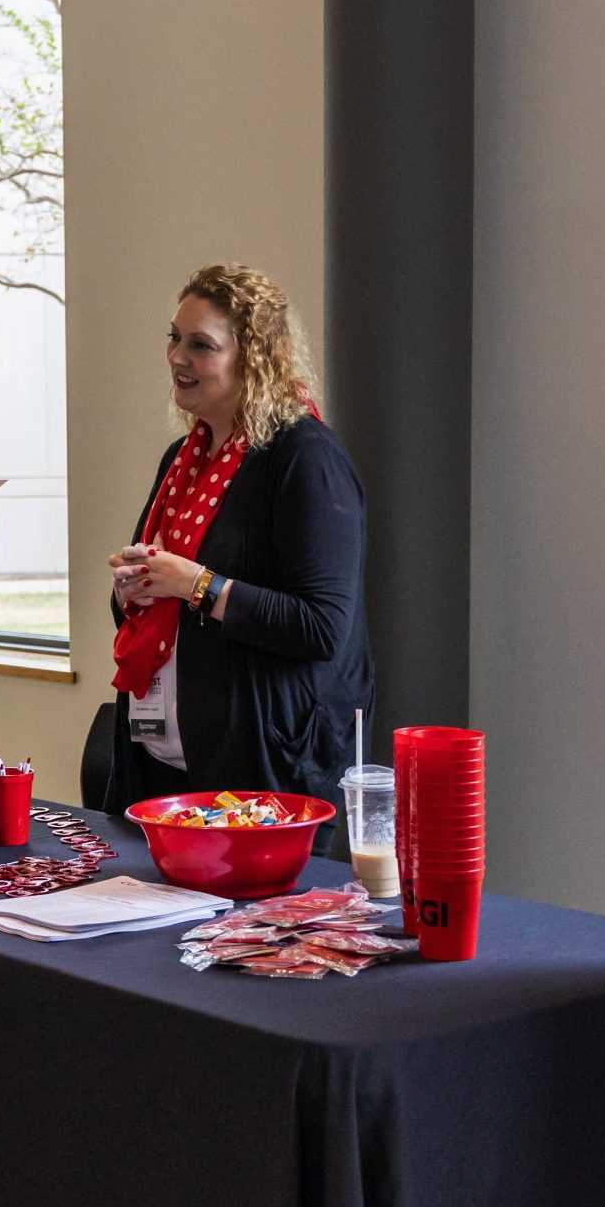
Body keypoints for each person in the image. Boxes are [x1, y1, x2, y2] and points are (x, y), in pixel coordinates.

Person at [103, 264, 373, 848]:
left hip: (267, 772)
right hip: (167, 764)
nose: (178, 356)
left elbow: (322, 628)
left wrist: (196, 584)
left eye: (201, 345)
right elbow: (155, 603)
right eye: (174, 337)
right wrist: (134, 588)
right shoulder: (184, 456)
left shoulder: (305, 458)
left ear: (254, 358)